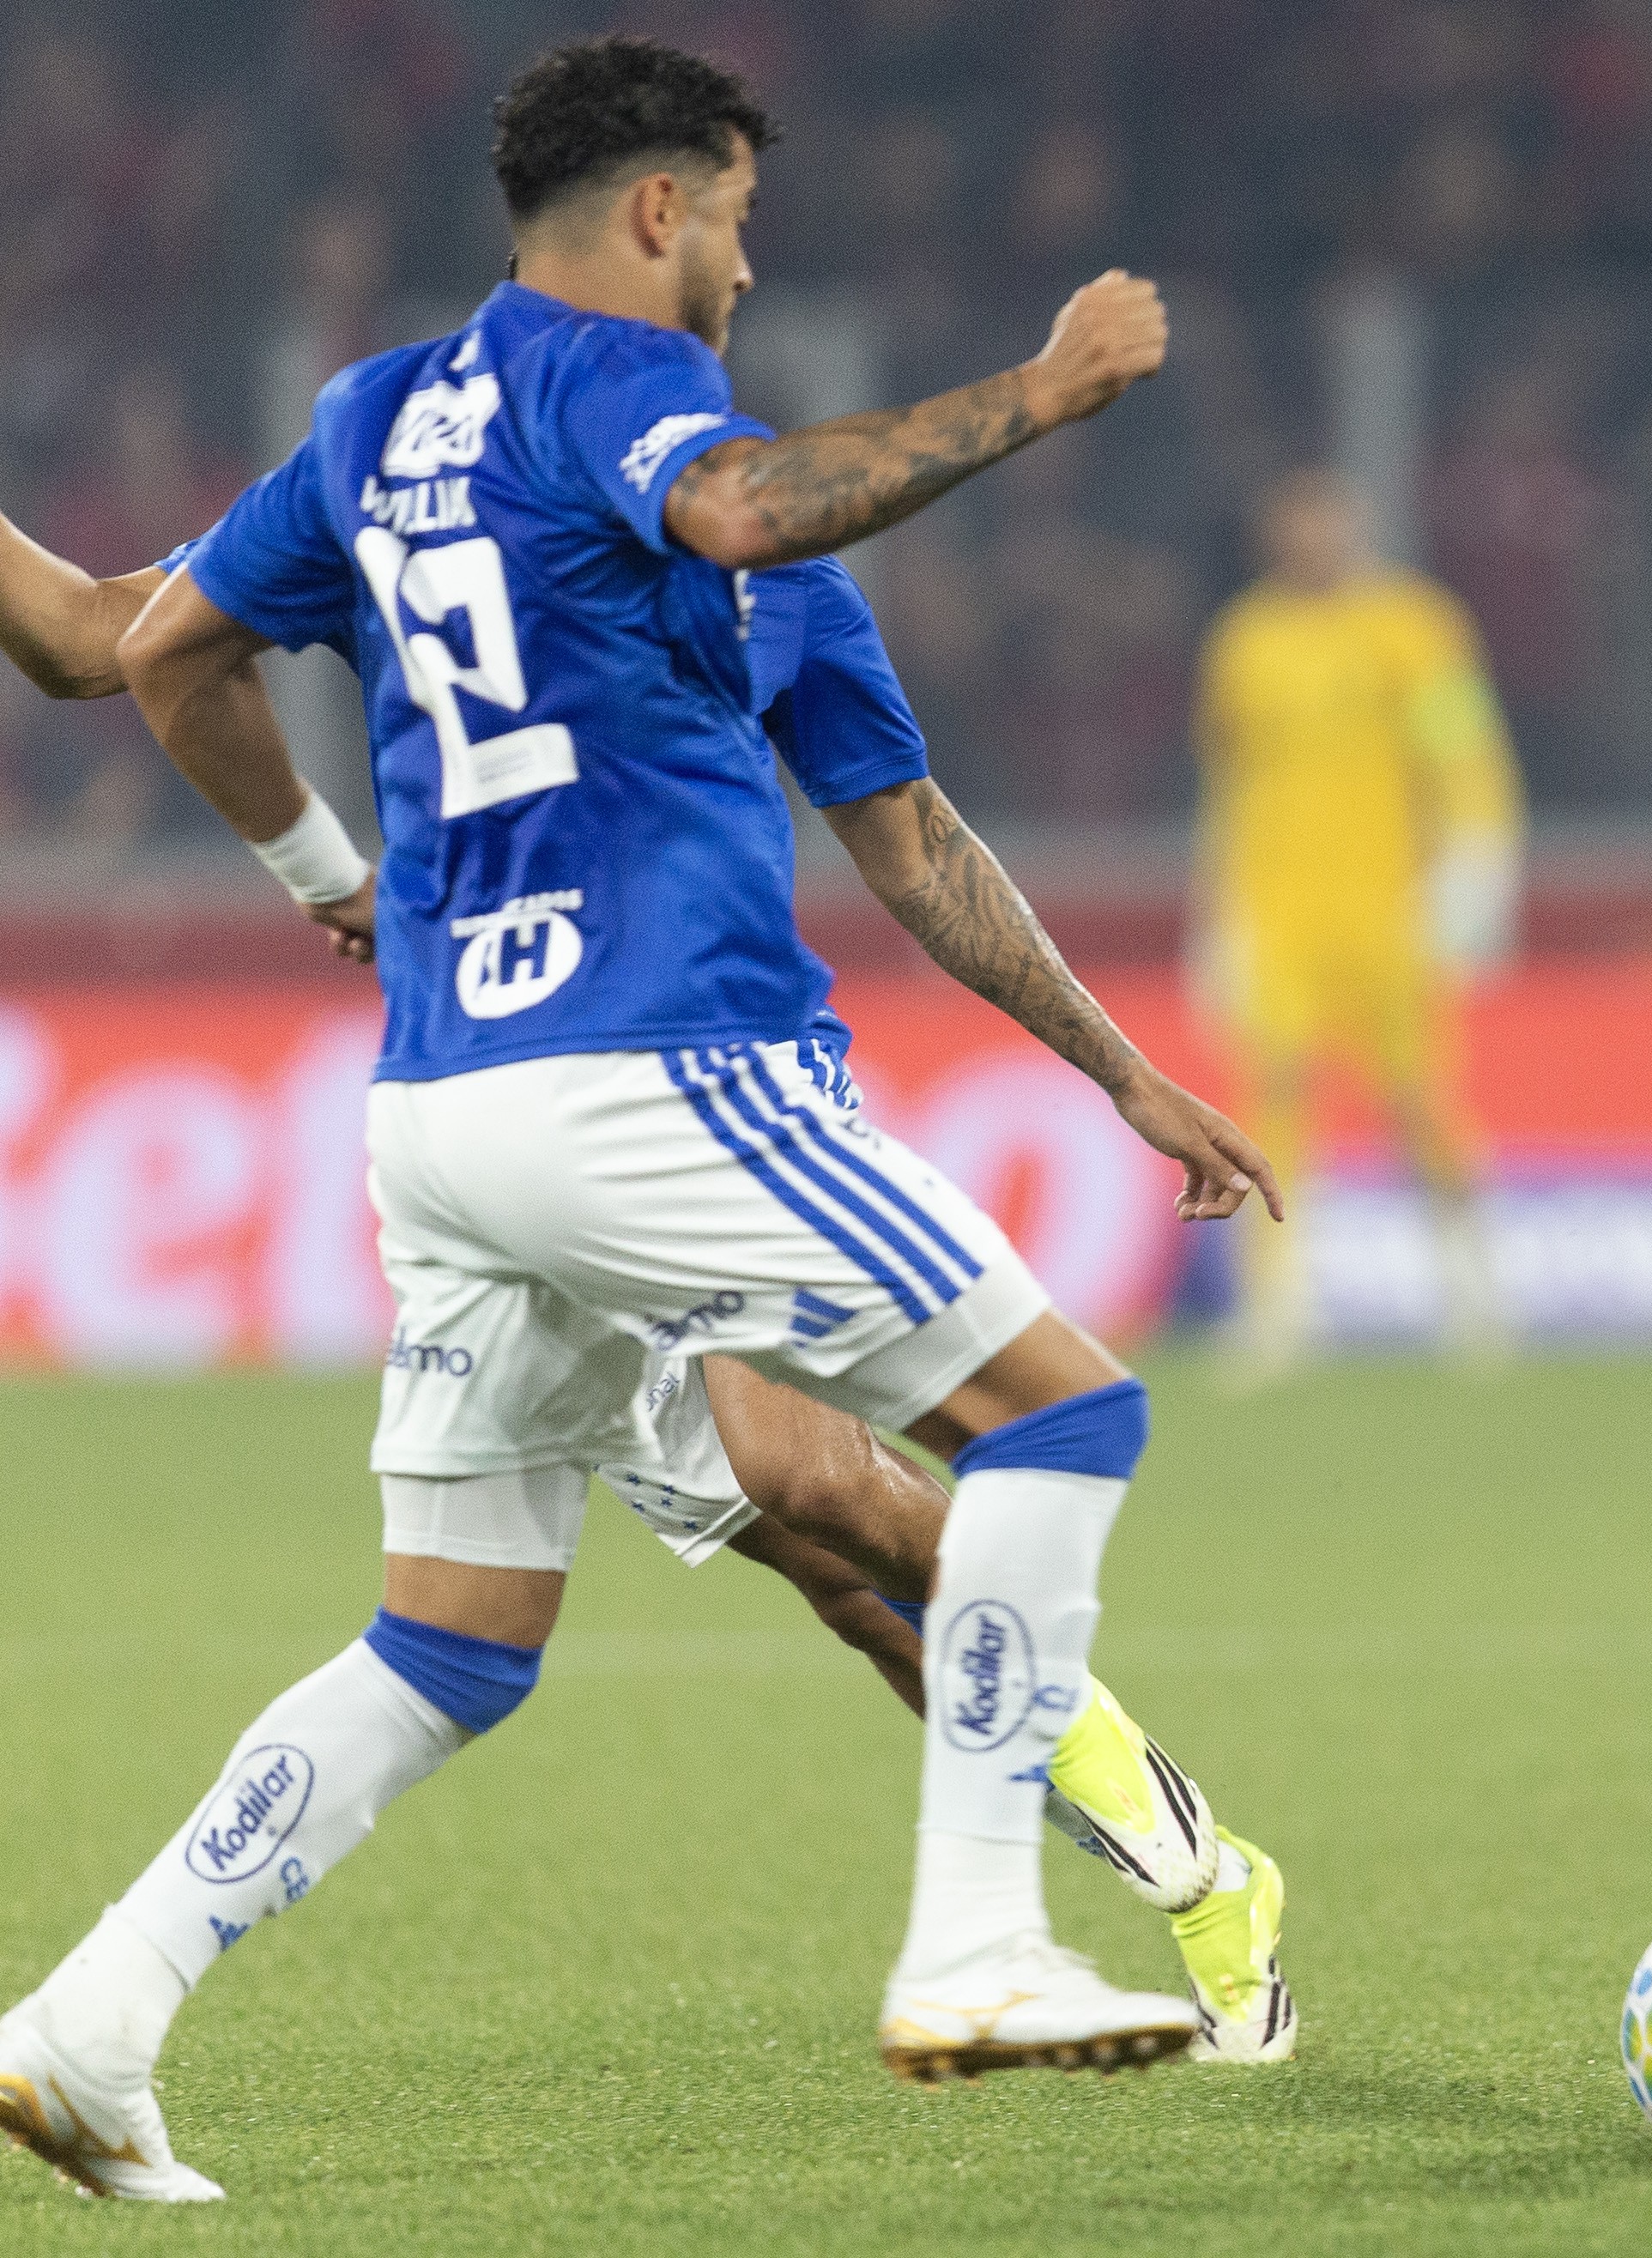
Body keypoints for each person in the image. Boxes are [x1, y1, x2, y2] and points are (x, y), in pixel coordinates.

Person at [0, 36, 1285, 2203]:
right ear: (662, 212)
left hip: (440, 1112)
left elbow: (137, 647)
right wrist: (1044, 388)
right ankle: (983, 1937)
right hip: (659, 1059)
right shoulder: (623, 401)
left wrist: (331, 881)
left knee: (451, 1640)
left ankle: (87, 2023)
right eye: (743, 221)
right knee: (1057, 1422)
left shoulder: (374, 420)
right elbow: (756, 503)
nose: (753, 268)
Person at [1194, 467, 1523, 1373]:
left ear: (1354, 526)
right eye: (1295, 527)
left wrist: (1478, 864)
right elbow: (1229, 783)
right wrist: (1216, 913)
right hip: (1280, 910)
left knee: (1419, 1102)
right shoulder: (1244, 640)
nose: (1312, 542)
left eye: (1326, 524)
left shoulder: (1413, 627)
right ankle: (1276, 1312)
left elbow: (1464, 748)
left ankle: (1473, 1292)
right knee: (1275, 1102)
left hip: (1390, 908)